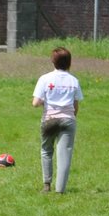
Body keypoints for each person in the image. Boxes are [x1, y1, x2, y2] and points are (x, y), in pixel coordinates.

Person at [32, 46, 82, 193]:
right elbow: (76, 104)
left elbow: (35, 103)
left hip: (50, 119)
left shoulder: (45, 79)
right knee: (65, 153)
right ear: (69, 63)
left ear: (53, 62)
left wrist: (44, 101)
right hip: (68, 119)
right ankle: (60, 189)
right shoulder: (74, 81)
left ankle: (47, 185)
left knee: (47, 150)